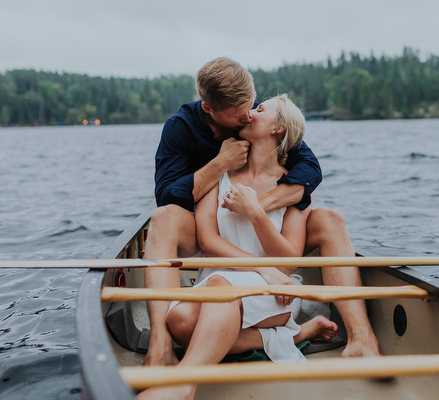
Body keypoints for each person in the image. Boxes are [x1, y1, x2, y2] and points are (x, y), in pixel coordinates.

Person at [143, 57, 381, 369]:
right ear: (209, 109)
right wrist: (219, 165)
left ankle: (362, 336)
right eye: (240, 112)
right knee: (163, 221)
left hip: (265, 257)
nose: (248, 115)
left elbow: (310, 170)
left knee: (331, 218)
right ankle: (160, 345)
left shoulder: (278, 143)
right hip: (209, 241)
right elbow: (167, 197)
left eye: (254, 105)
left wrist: (257, 208)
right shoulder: (184, 130)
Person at [164, 95, 338, 384]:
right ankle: (296, 335)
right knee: (179, 321)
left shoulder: (294, 186)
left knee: (222, 288)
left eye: (259, 109)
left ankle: (183, 384)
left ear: (278, 128)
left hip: (273, 292)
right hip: (227, 277)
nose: (249, 113)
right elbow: (207, 239)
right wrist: (261, 267)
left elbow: (288, 261)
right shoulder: (220, 175)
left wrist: (256, 213)